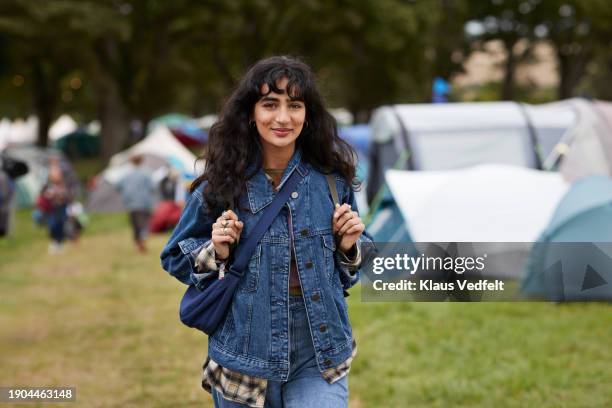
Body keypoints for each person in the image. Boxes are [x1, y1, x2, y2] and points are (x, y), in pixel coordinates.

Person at [161, 56, 372, 408]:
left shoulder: (333, 182)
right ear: (251, 113)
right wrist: (216, 251)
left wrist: (349, 247)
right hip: (245, 353)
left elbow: (350, 274)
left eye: (295, 105)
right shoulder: (220, 186)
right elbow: (174, 256)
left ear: (308, 115)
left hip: (319, 348)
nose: (283, 117)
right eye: (270, 104)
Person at [117, 154, 154, 252]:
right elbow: (153, 187)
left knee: (135, 224)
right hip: (144, 203)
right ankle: (142, 239)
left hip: (130, 203)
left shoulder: (126, 174)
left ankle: (137, 243)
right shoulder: (146, 173)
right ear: (141, 161)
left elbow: (117, 185)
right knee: (144, 223)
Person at [39, 162, 71, 253]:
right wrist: (49, 196)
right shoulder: (47, 186)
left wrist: (62, 196)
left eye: (58, 174)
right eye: (54, 174)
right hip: (51, 210)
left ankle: (60, 243)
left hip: (62, 208)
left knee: (61, 225)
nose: (56, 176)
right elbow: (43, 196)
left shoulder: (63, 185)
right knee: (52, 226)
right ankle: (54, 242)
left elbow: (68, 196)